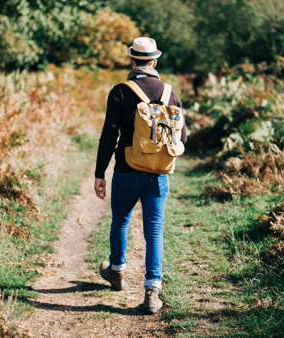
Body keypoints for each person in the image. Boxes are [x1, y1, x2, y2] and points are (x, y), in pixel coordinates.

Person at [93, 37, 187, 314]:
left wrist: (100, 174)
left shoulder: (120, 91)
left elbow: (109, 136)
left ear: (132, 61)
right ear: (154, 62)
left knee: (120, 221)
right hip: (158, 174)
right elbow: (182, 136)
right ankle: (152, 292)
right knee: (154, 230)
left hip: (125, 170)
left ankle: (116, 271)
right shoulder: (170, 93)